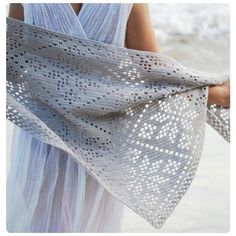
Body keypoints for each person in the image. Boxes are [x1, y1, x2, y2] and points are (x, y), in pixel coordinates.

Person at [7, 3, 230, 233]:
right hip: (94, 147)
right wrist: (217, 95)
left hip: (46, 142)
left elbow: (13, 67)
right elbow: (155, 79)